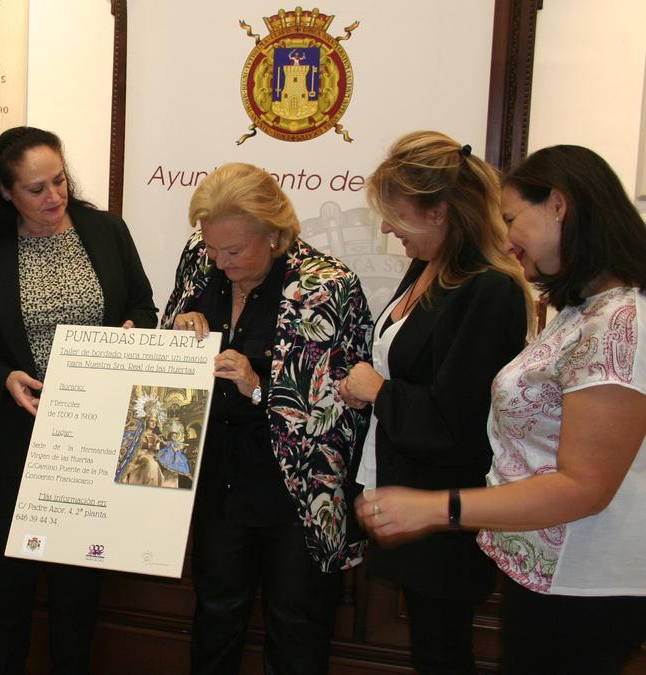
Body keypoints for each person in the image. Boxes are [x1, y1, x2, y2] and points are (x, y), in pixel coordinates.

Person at [356, 145, 646, 675]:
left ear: (558, 206)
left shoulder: (621, 320)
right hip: (545, 568)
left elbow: (584, 485)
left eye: (513, 219)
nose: (506, 236)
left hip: (585, 578)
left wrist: (436, 508)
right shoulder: (583, 310)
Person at [0, 126, 157, 674]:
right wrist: (4, 376)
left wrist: (134, 333)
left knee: (79, 576)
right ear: (5, 192)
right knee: (10, 573)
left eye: (59, 180)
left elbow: (141, 304)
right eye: (36, 188)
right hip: (13, 433)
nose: (54, 196)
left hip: (93, 434)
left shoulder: (106, 230)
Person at [163, 162, 372, 674]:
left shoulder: (326, 287)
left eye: (234, 251)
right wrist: (179, 327)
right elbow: (173, 330)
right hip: (217, 474)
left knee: (295, 626)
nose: (220, 261)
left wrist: (258, 388)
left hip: (294, 486)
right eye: (212, 248)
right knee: (215, 616)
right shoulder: (200, 258)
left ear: (275, 234)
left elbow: (344, 408)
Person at [338, 131, 533, 673]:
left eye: (395, 214)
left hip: (444, 504)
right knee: (430, 647)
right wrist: (367, 392)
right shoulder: (427, 266)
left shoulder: (489, 290)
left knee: (443, 652)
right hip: (404, 485)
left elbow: (460, 421)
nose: (385, 227)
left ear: (440, 212)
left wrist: (379, 392)